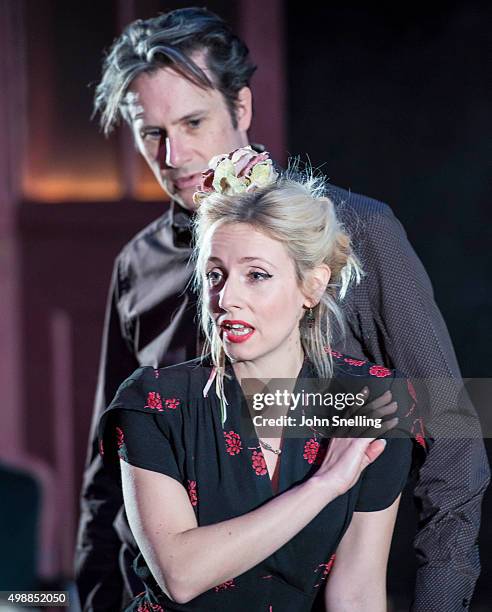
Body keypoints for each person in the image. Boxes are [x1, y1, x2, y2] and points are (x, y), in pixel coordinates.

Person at [75, 7, 489, 612]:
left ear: (241, 108)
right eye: (153, 133)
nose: (176, 154)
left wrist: (440, 603)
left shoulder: (358, 231)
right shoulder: (138, 266)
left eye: (194, 121)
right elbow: (104, 479)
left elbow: (454, 439)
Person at [98, 152, 423, 611]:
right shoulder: (152, 403)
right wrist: (324, 485)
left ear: (311, 286)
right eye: (215, 275)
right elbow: (181, 575)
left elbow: (356, 591)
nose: (226, 298)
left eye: (256, 275)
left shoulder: (371, 400)